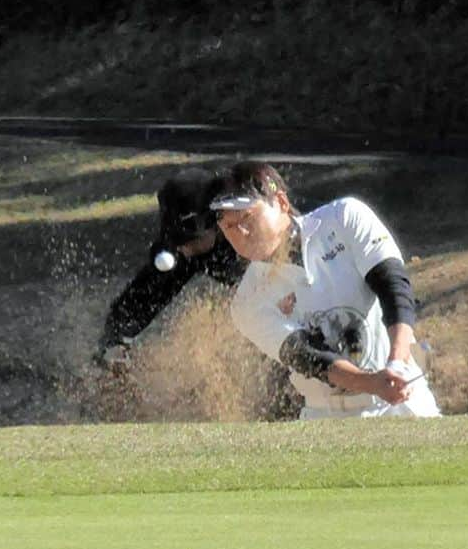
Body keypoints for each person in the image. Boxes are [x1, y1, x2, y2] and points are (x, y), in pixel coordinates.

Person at [210, 161, 441, 419]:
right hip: (327, 417)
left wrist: (396, 363)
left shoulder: (345, 218)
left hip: (406, 401)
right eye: (229, 226)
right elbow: (308, 356)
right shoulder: (247, 301)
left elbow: (394, 288)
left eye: (247, 217)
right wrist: (373, 383)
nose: (241, 232)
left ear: (282, 203)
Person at [95, 167, 245, 367]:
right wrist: (114, 347)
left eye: (190, 240)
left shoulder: (248, 238)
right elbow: (130, 307)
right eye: (177, 239)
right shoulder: (179, 252)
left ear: (217, 222)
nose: (183, 248)